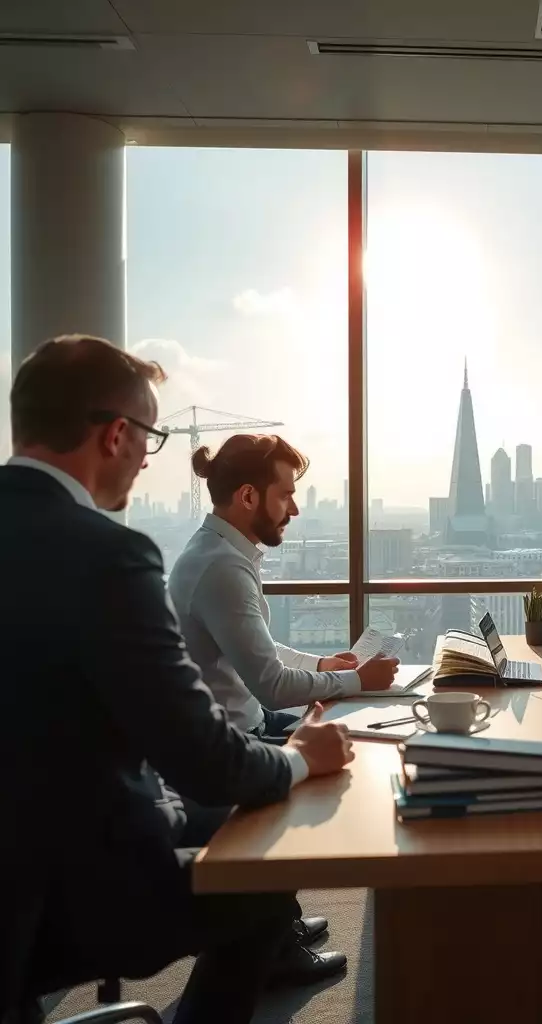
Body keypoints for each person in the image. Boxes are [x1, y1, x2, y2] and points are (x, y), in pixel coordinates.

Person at [0, 335, 357, 1024]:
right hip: (67, 889)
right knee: (260, 881)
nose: (146, 458)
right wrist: (300, 760)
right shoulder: (107, 558)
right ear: (115, 435)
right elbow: (203, 757)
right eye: (150, 438)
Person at [169, 433, 399, 740]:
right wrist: (357, 680)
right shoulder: (222, 568)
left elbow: (253, 648)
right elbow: (274, 686)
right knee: (356, 748)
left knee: (348, 735)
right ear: (248, 496)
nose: (294, 510)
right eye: (284, 495)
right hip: (235, 744)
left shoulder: (218, 551)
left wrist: (320, 665)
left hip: (253, 721)